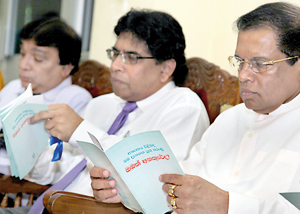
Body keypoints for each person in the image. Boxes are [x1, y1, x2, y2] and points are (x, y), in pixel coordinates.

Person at [91, 2, 300, 213]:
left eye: (260, 64)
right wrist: (125, 190)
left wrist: (227, 206)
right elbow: (176, 188)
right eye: (239, 61)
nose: (243, 75)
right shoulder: (229, 120)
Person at [27, 8, 209, 199]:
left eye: (131, 58)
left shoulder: (183, 108)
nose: (114, 66)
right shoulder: (101, 105)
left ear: (165, 68)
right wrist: (31, 147)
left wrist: (81, 131)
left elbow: (153, 185)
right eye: (115, 54)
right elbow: (61, 172)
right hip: (52, 203)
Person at [0, 17, 92, 175]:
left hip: (26, 192)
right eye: (22, 54)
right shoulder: (13, 88)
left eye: (38, 59)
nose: (23, 65)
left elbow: (61, 165)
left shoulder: (76, 100)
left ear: (66, 68)